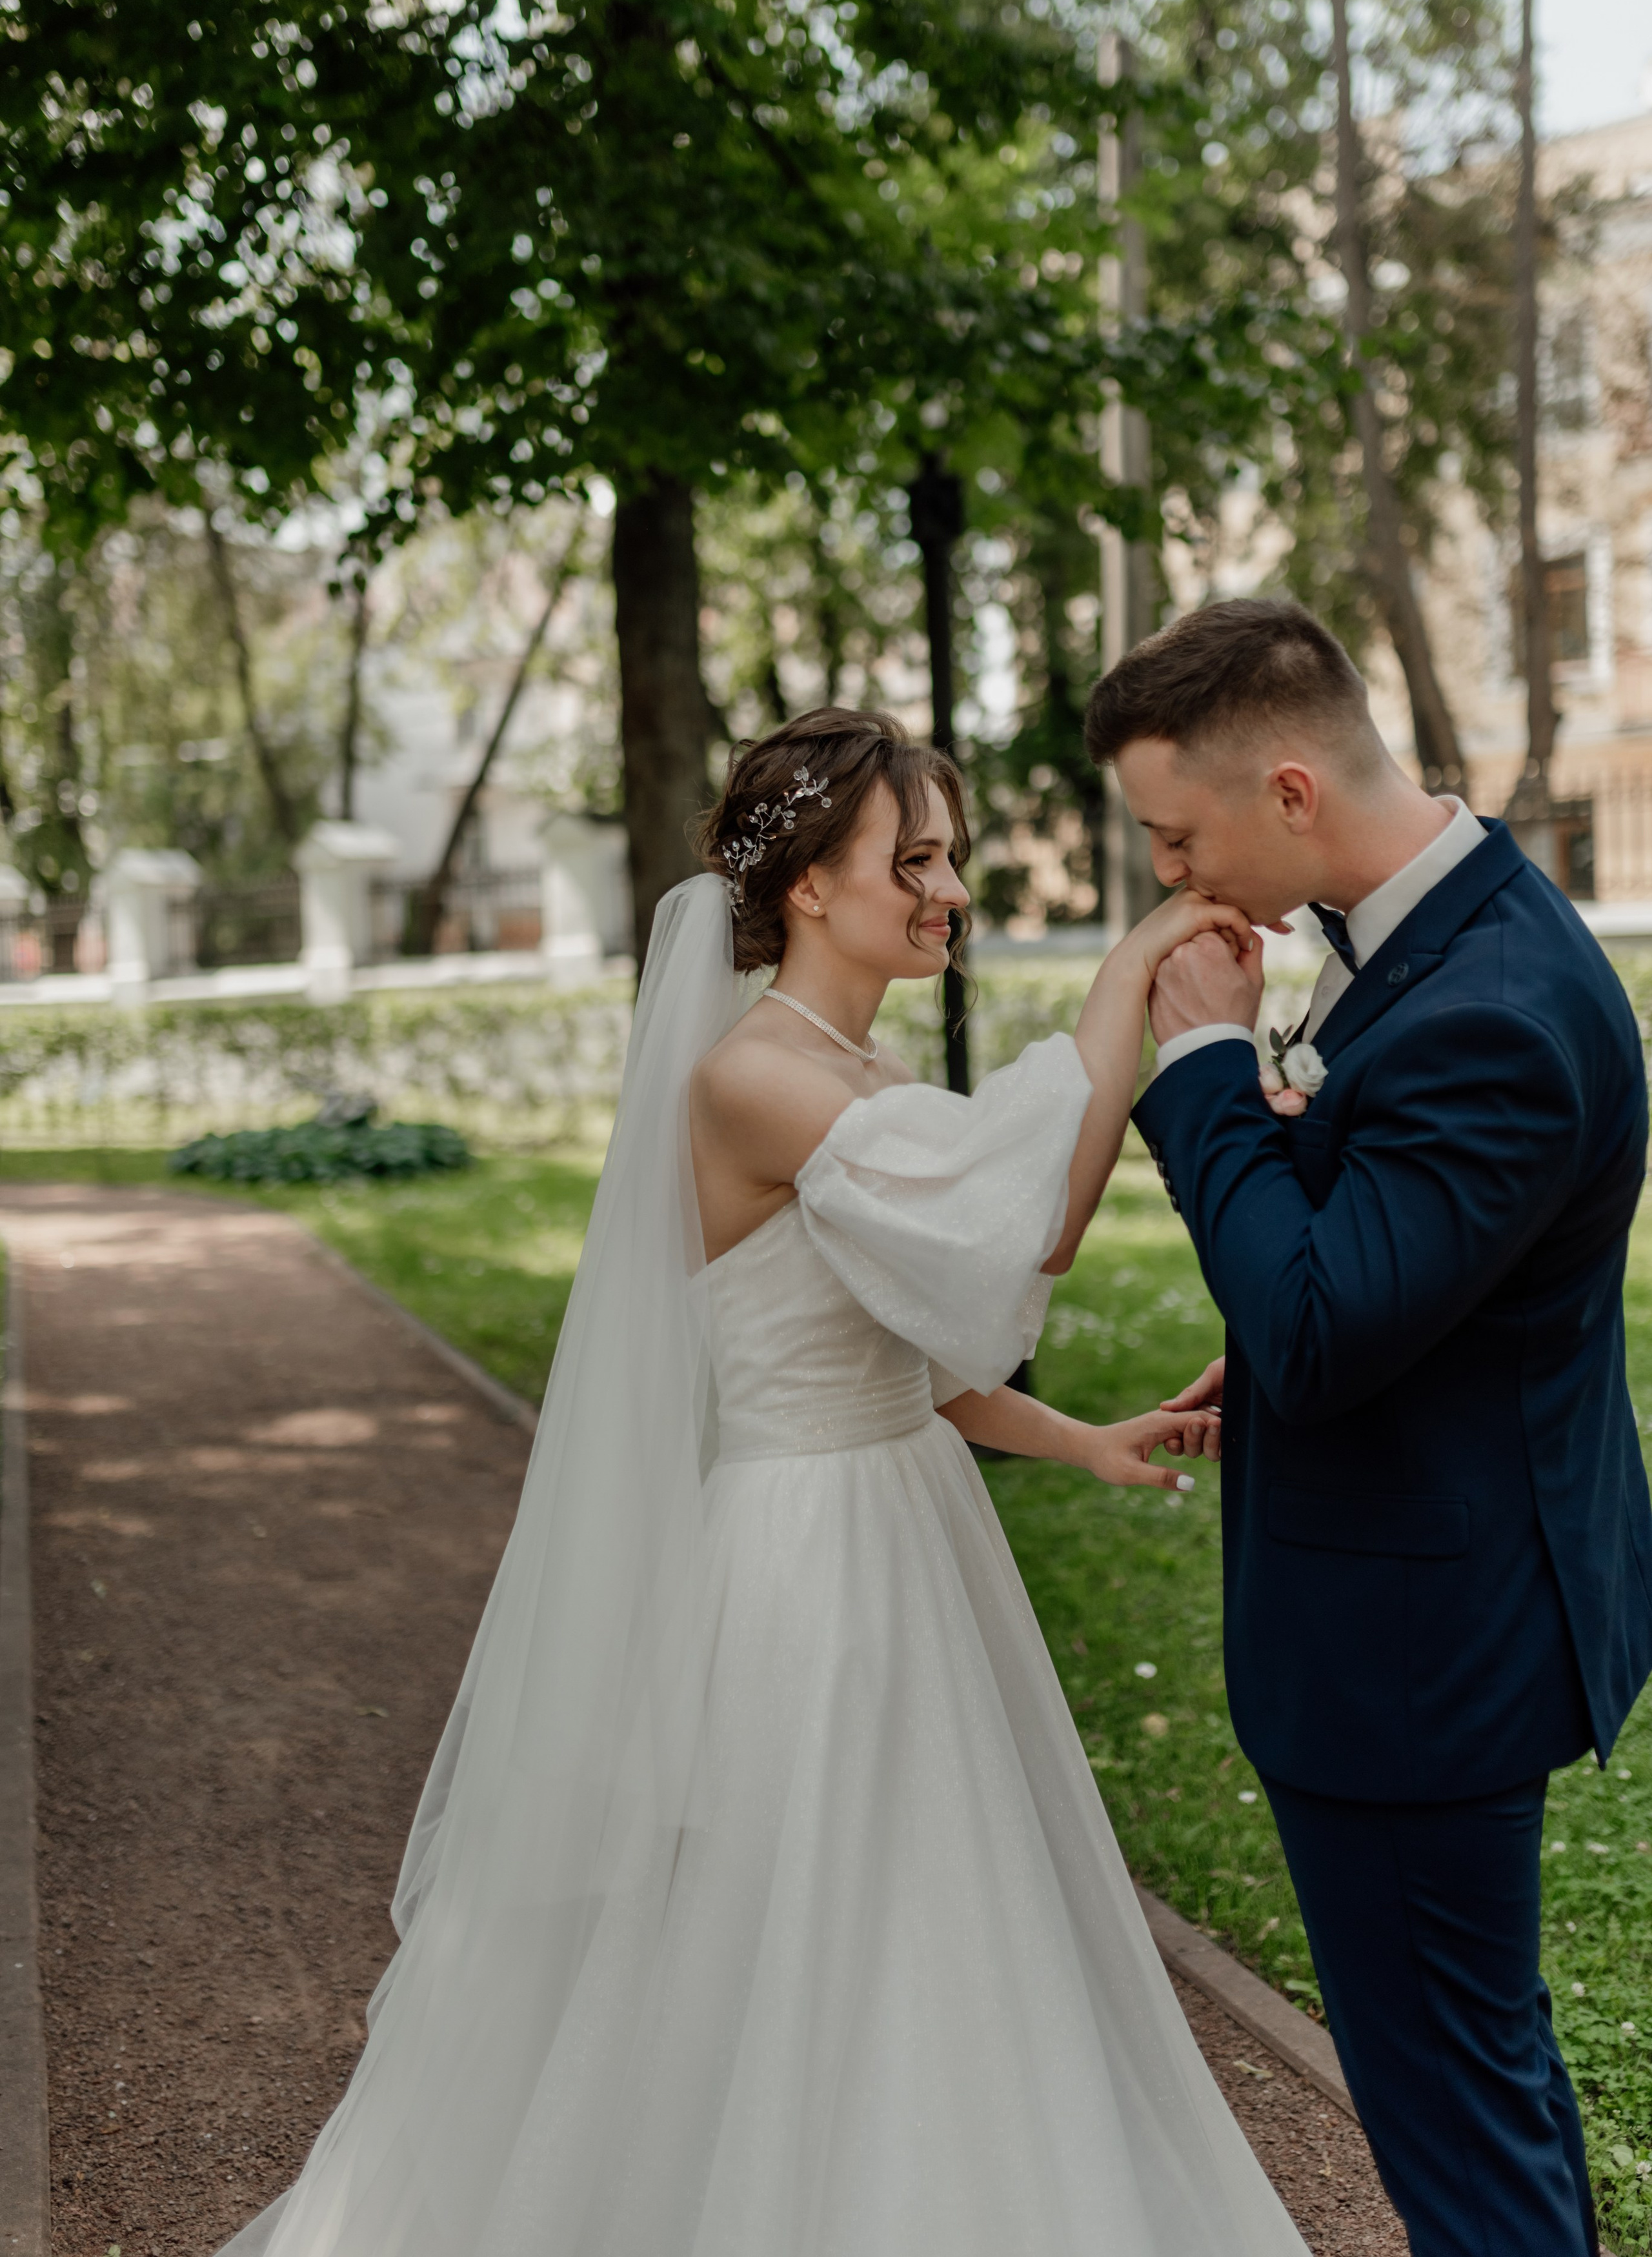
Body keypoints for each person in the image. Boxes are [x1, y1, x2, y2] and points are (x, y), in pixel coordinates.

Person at [217, 704, 1311, 2257]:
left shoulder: (844, 1070)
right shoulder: (754, 1079)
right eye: (914, 860)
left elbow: (911, 1355)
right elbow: (1030, 1232)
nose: (946, 890)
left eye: (948, 859)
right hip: (801, 1570)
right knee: (795, 1931)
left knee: (925, 1929)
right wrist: (1128, 981)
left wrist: (1079, 1434)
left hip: (907, 1536)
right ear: (808, 884)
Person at [1087, 597, 1652, 2257]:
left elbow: (1321, 1330)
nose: (1174, 880)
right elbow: (1380, 1287)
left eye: (1176, 836)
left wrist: (1193, 1066)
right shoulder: (1438, 938)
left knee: (1455, 2118)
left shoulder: (1486, 1004)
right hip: (1444, 1604)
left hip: (1417, 1653)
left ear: (1283, 789)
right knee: (1477, 2068)